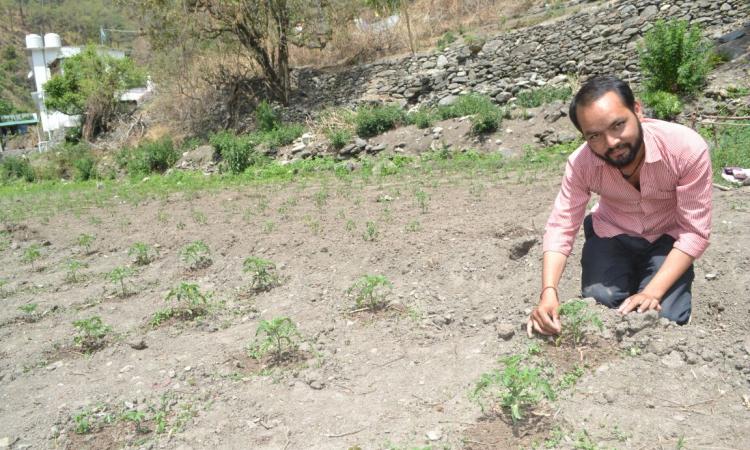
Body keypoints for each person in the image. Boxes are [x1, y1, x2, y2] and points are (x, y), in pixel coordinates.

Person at [527, 76, 712, 337]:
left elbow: (694, 232)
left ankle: (654, 282)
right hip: (612, 233)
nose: (611, 142)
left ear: (637, 110)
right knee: (600, 300)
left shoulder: (685, 149)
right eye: (594, 136)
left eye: (618, 125)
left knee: (663, 320)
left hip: (667, 237)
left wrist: (652, 292)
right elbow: (561, 226)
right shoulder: (582, 164)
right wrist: (548, 293)